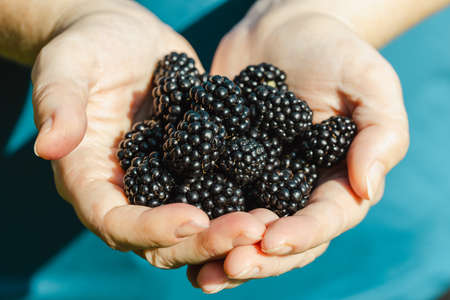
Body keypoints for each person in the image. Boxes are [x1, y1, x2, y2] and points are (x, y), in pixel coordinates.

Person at [0, 0, 448, 295]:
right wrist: (61, 16)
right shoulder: (192, 138)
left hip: (389, 249)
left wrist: (332, 15)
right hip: (45, 244)